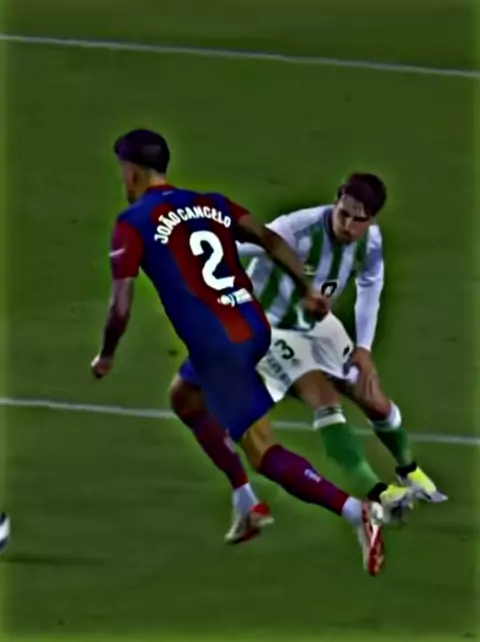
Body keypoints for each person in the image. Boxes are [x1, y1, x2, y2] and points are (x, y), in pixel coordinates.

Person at [91, 129, 386, 575]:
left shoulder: (132, 222)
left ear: (131, 173)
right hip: (251, 324)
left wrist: (107, 354)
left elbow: (120, 306)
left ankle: (355, 512)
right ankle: (246, 500)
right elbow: (269, 239)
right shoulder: (210, 202)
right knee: (184, 397)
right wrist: (307, 286)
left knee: (263, 450)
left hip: (220, 348)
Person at [171, 173, 444, 544]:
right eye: (343, 213)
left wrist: (364, 349)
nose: (348, 225)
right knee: (324, 399)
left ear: (372, 220)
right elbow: (247, 246)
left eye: (358, 219)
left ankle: (409, 470)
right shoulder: (296, 230)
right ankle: (380, 494)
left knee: (373, 397)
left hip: (318, 325)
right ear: (336, 201)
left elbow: (370, 286)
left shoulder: (371, 242)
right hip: (271, 327)